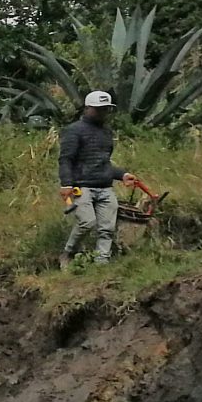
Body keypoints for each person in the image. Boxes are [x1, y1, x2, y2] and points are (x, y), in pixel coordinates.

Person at [58, 90, 139, 269]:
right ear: (88, 108)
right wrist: (66, 184)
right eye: (99, 109)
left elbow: (103, 162)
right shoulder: (74, 131)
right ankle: (68, 253)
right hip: (82, 186)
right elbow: (66, 159)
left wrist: (122, 174)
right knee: (87, 222)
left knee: (107, 229)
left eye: (106, 109)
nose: (103, 113)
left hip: (105, 186)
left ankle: (101, 264)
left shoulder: (106, 132)